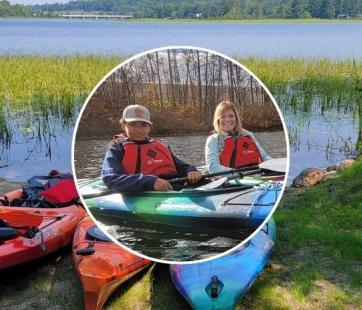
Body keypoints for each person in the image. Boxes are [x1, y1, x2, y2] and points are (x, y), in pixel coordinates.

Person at [102, 104, 202, 192]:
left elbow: (181, 166)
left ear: (149, 127)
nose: (138, 130)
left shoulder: (159, 146)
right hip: (145, 190)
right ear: (123, 126)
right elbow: (111, 179)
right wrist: (151, 182)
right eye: (132, 125)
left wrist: (191, 170)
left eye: (144, 125)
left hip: (173, 187)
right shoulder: (116, 147)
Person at [205, 101, 272, 174]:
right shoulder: (213, 139)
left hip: (257, 174)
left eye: (231, 116)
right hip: (232, 179)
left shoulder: (248, 134)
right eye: (223, 117)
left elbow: (264, 157)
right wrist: (240, 173)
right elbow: (213, 168)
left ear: (236, 118)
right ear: (218, 119)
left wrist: (276, 165)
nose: (227, 120)